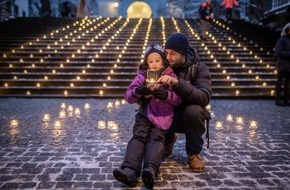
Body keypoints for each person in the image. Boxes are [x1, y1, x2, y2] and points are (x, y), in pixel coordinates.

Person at [113, 42, 182, 189]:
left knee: (156, 139)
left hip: (163, 117)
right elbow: (128, 96)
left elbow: (178, 99)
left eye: (157, 60)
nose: (154, 64)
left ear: (163, 60)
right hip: (145, 114)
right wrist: (140, 91)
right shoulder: (141, 76)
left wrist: (165, 94)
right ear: (146, 62)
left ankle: (150, 169)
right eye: (150, 61)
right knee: (138, 137)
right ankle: (130, 170)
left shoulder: (170, 76)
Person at [157, 33, 212, 172]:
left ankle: (194, 153)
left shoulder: (199, 68)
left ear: (183, 53)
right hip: (167, 114)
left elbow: (204, 97)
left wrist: (178, 83)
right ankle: (168, 141)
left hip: (188, 116)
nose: (168, 57)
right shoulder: (162, 66)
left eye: (173, 54)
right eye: (166, 53)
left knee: (195, 111)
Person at [274, 23, 290, 107]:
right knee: (280, 83)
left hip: (289, 65)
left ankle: (286, 100)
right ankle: (278, 100)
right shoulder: (282, 39)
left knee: (287, 83)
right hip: (283, 64)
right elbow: (279, 51)